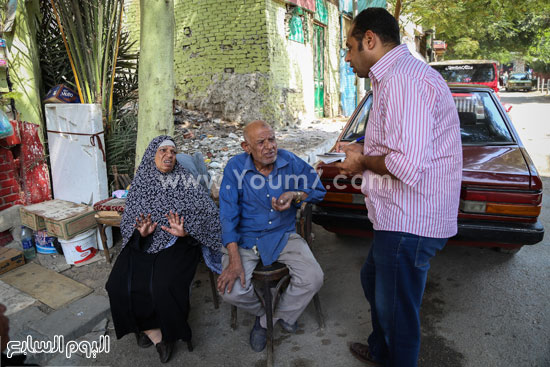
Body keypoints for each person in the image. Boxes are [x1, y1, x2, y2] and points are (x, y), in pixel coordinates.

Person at [339, 8, 462, 367]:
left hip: (410, 221)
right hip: (398, 216)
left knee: (398, 314)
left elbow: (405, 165)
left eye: (350, 47)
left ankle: (394, 355)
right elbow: (397, 142)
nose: (347, 57)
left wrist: (361, 161)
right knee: (373, 281)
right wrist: (363, 147)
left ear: (370, 40)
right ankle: (381, 351)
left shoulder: (403, 80)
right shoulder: (393, 77)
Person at [105, 136, 223, 364]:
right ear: (152, 154)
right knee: (118, 285)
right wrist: (141, 232)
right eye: (163, 151)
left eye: (173, 151)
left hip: (179, 243)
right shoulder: (141, 182)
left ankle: (166, 335)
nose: (169, 155)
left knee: (162, 285)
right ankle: (149, 330)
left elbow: (209, 216)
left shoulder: (185, 180)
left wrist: (186, 231)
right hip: (144, 242)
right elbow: (129, 220)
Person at [216, 120, 326, 352]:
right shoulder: (235, 168)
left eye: (272, 139)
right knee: (231, 291)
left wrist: (295, 195)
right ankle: (275, 312)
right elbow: (227, 216)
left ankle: (266, 321)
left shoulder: (290, 161)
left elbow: (318, 189)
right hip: (246, 239)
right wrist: (234, 259)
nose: (269, 147)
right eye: (261, 142)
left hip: (282, 235)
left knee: (313, 278)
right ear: (246, 147)